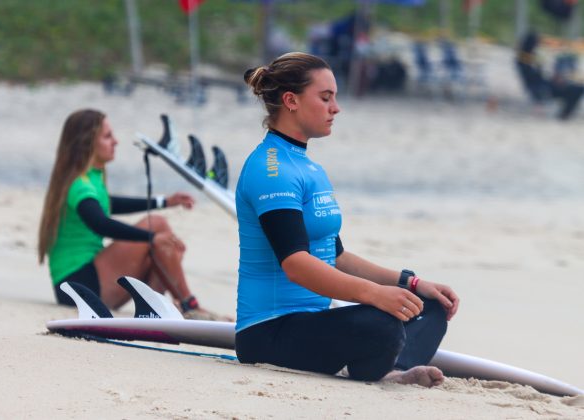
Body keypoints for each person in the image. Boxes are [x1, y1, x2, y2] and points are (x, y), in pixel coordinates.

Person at [235, 52, 460, 386]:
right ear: (290, 100)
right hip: (269, 332)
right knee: (381, 323)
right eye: (325, 98)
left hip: (312, 322)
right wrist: (373, 294)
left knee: (431, 306)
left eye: (335, 98)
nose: (335, 108)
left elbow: (336, 256)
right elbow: (295, 264)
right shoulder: (272, 169)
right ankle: (389, 365)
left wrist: (410, 283)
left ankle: (393, 366)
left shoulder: (309, 167)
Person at [38, 109, 221, 320]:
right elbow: (99, 223)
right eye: (107, 136)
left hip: (84, 284)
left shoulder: (90, 178)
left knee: (161, 244)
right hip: (78, 285)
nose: (116, 142)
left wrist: (165, 201)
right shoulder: (79, 184)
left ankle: (157, 310)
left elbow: (108, 204)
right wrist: (152, 237)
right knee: (158, 227)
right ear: (87, 142)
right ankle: (190, 305)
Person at [516, 30, 584, 120]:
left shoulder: (526, 57)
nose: (538, 45)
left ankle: (565, 114)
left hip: (543, 86)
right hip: (542, 88)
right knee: (578, 88)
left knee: (576, 87)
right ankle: (564, 115)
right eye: (537, 42)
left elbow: (536, 75)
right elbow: (534, 76)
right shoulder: (525, 58)